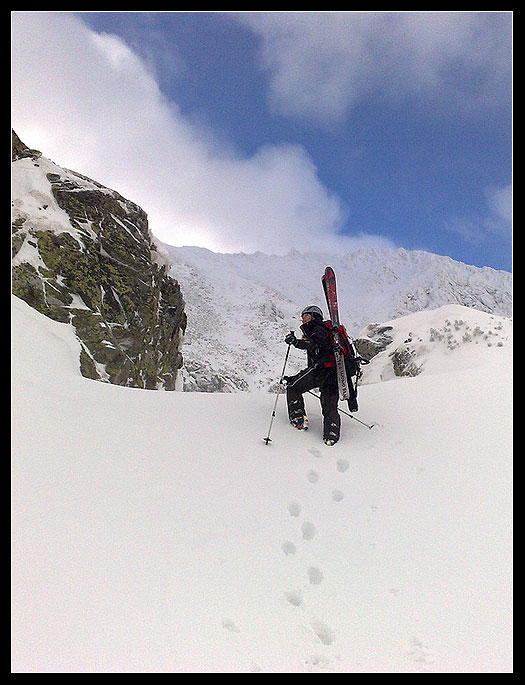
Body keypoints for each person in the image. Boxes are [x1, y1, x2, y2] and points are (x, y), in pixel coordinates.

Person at [283, 305, 358, 446]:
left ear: (313, 315)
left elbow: (313, 344)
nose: (302, 318)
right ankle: (331, 435)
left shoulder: (318, 328)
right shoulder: (323, 330)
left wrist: (296, 342)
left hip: (322, 370)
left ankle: (298, 418)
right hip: (335, 374)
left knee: (293, 387)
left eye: (305, 315)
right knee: (329, 405)